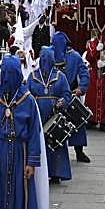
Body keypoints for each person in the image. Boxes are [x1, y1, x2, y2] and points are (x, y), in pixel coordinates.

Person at [0, 55, 47, 209]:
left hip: (19, 155)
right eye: (5, 73)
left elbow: (34, 133)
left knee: (19, 194)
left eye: (12, 73)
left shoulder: (27, 99)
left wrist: (32, 162)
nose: (8, 78)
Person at [27, 47, 72, 184]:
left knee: (55, 145)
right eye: (43, 59)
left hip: (54, 116)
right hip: (37, 116)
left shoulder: (60, 76)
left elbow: (67, 94)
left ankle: (56, 173)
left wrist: (62, 102)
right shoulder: (32, 76)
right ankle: (39, 171)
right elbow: (26, 94)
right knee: (38, 143)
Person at [52, 31, 91, 162]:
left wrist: (81, 88)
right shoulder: (49, 54)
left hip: (71, 94)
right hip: (53, 96)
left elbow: (84, 72)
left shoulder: (74, 56)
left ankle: (79, 152)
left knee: (78, 124)